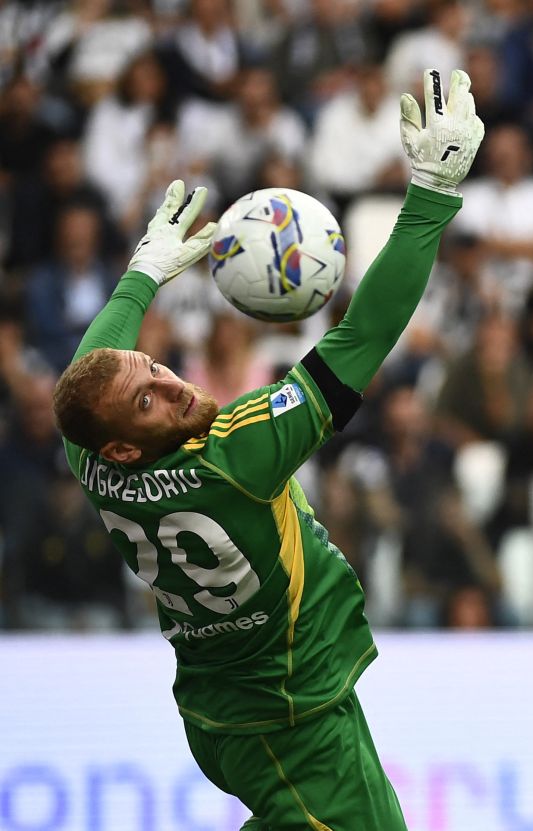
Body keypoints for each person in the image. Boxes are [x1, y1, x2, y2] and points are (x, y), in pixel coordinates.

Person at [51, 68, 485, 830]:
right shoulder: (236, 455)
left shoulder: (91, 458)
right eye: (149, 397)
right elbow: (363, 336)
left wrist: (140, 278)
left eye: (157, 366)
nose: (173, 383)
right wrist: (431, 200)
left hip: (227, 710)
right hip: (289, 716)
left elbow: (91, 375)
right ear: (123, 446)